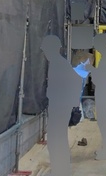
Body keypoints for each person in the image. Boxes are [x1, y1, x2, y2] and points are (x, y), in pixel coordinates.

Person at [41, 35, 83, 176]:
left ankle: (60, 171)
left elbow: (77, 81)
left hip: (59, 109)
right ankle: (61, 170)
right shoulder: (59, 63)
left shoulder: (58, 63)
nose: (44, 52)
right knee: (58, 140)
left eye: (45, 49)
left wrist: (73, 104)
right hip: (60, 107)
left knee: (56, 141)